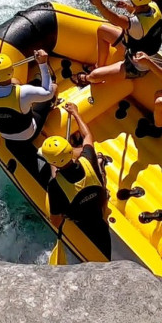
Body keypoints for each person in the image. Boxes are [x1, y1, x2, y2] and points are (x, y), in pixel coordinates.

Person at [40, 102, 112, 258]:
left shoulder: (55, 185)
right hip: (99, 204)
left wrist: (54, 167)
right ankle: (101, 162)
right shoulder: (87, 158)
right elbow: (87, 136)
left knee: (57, 182)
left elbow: (55, 220)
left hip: (79, 219)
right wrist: (75, 113)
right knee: (95, 164)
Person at [72, 0, 162, 86]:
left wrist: (99, 5)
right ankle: (99, 66)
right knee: (102, 31)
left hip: (137, 65)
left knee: (94, 76)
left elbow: (114, 19)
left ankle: (88, 78)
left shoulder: (135, 24)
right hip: (136, 48)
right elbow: (141, 11)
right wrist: (127, 7)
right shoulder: (154, 7)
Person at [0, 49, 57, 142]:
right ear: (12, 70)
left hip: (5, 135)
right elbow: (48, 92)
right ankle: (52, 105)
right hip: (29, 134)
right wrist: (43, 64)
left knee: (15, 82)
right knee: (54, 87)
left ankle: (27, 104)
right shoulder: (23, 92)